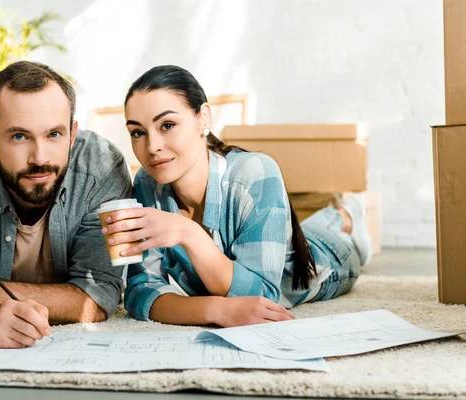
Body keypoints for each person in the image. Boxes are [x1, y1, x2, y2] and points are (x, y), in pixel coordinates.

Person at [102, 65, 372, 327]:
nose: (152, 147)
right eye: (138, 132)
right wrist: (216, 309)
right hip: (286, 240)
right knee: (306, 226)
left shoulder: (256, 172)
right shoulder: (148, 184)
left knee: (329, 235)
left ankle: (346, 216)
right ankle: (338, 214)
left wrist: (189, 233)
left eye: (168, 125)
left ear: (203, 119)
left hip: (328, 261)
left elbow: (260, 298)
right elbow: (140, 293)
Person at [0, 61, 132, 348]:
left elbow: (98, 298)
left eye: (54, 134)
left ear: (72, 134)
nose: (40, 158)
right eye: (19, 136)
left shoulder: (101, 168)